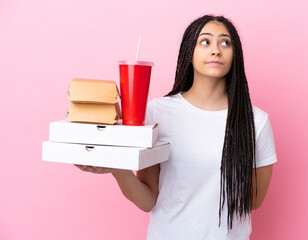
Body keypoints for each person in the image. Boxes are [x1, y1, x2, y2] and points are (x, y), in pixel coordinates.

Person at [75, 14, 277, 240]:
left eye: (225, 42)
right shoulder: (158, 113)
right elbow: (148, 200)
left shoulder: (255, 121)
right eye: (205, 41)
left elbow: (253, 201)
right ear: (189, 52)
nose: (216, 49)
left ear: (234, 55)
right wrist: (118, 169)